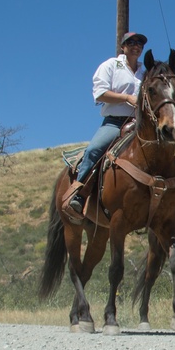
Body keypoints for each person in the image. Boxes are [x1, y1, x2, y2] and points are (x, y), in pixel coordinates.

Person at [65, 31, 148, 216]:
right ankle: (79, 194)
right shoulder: (110, 65)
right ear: (123, 47)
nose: (136, 46)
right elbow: (100, 93)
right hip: (115, 123)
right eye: (131, 42)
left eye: (140, 44)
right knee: (94, 150)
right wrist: (127, 97)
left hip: (141, 124)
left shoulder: (146, 72)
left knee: (168, 156)